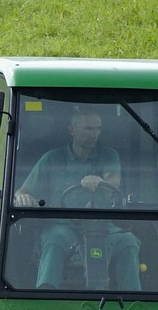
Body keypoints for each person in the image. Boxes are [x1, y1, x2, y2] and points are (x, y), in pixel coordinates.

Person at [13, 106, 142, 290]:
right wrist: (24, 198)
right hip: (64, 226)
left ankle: (134, 301)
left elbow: (114, 180)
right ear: (72, 129)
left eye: (98, 129)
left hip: (103, 227)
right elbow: (23, 191)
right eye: (89, 128)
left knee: (128, 241)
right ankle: (45, 296)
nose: (94, 134)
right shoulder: (51, 159)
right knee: (54, 239)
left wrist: (100, 181)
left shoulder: (108, 155)